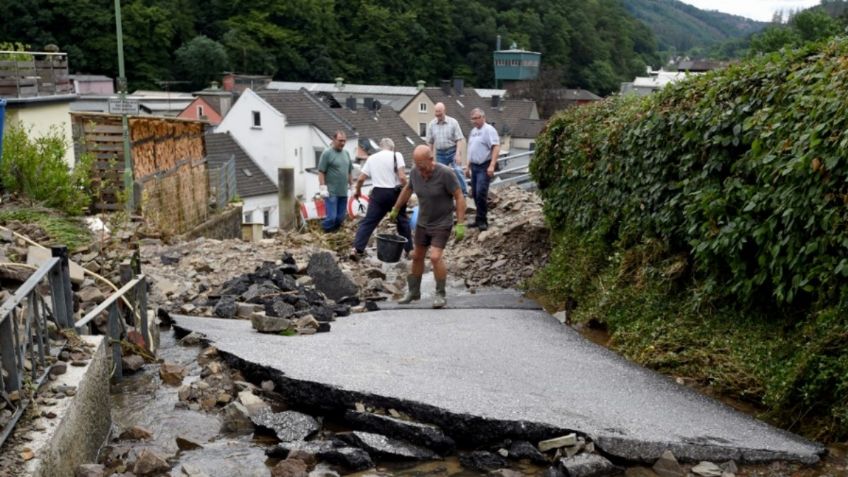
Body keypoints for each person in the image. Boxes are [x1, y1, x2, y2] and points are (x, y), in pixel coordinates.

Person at [388, 145, 466, 309]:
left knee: (435, 257)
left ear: (431, 160)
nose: (421, 171)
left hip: (442, 222)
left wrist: (460, 223)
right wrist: (396, 208)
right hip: (423, 222)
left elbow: (459, 196)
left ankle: (440, 294)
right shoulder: (416, 173)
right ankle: (414, 292)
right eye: (417, 166)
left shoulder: (445, 173)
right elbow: (408, 189)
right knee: (416, 256)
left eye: (423, 166)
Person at [351, 138, 412, 258]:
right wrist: (407, 192)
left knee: (369, 222)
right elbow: (402, 178)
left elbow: (361, 179)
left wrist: (357, 191)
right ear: (392, 148)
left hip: (378, 194)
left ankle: (357, 249)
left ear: (380, 147)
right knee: (402, 221)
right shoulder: (396, 155)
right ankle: (409, 250)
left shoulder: (372, 158)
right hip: (395, 193)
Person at [464, 108, 500, 231]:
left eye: (476, 118)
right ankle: (478, 218)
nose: (474, 121)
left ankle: (483, 220)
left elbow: (495, 147)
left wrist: (492, 165)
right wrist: (467, 167)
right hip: (474, 166)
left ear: (483, 117)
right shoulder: (473, 132)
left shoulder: (489, 130)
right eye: (472, 118)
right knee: (474, 193)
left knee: (481, 193)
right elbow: (470, 150)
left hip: (484, 165)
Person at [426, 102, 468, 196]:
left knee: (457, 170)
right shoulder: (432, 124)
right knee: (440, 174)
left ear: (444, 111)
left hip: (452, 151)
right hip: (440, 153)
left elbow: (459, 139)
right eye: (436, 112)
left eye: (439, 112)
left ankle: (464, 193)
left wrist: (458, 154)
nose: (438, 114)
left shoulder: (453, 122)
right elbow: (430, 142)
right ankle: (443, 193)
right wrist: (430, 156)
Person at [318, 131, 353, 232]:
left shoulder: (346, 153)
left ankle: (334, 233)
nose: (342, 143)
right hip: (331, 192)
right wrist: (323, 187)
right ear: (333, 140)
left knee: (340, 218)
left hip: (343, 191)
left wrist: (353, 185)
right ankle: (323, 232)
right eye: (340, 140)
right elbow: (321, 171)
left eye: (344, 141)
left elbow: (349, 171)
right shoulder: (327, 153)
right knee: (331, 218)